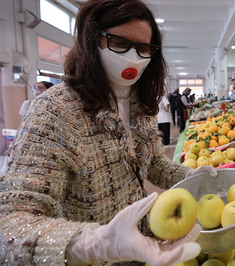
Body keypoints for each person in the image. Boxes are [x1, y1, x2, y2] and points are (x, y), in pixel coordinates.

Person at [0, 1, 217, 265]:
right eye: (118, 42)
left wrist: (190, 175)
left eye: (143, 48)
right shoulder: (55, 110)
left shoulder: (140, 102)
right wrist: (92, 244)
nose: (132, 56)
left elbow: (153, 164)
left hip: (144, 248)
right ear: (93, 41)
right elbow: (11, 220)